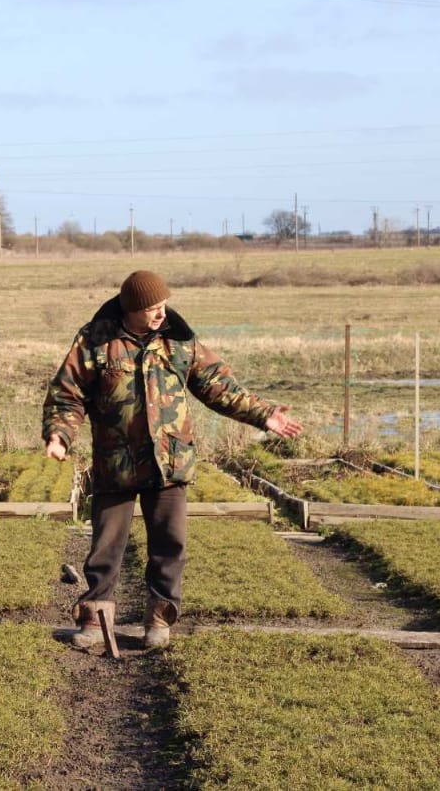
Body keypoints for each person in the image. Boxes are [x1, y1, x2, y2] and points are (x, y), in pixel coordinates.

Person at [43, 270, 303, 649]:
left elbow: (218, 386)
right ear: (131, 309)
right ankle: (95, 620)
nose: (160, 314)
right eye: (152, 308)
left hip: (170, 463)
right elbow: (67, 394)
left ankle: (160, 619)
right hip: (116, 464)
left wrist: (264, 415)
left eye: (163, 305)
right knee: (105, 548)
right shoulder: (95, 340)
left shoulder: (179, 341)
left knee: (169, 545)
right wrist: (60, 434)